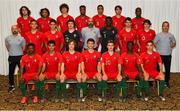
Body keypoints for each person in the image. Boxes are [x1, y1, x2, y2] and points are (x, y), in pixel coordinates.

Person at [154, 21, 176, 88]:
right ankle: (157, 82)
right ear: (162, 27)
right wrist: (158, 49)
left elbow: (174, 43)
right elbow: (154, 43)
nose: (165, 27)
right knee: (158, 69)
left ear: (168, 27)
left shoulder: (171, 35)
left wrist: (171, 46)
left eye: (167, 26)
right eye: (164, 26)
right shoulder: (158, 35)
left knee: (167, 69)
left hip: (168, 55)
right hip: (159, 56)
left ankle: (166, 82)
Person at [5, 25, 26, 93]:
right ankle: (11, 85)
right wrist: (13, 52)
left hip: (20, 57)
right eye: (13, 29)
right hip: (12, 57)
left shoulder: (22, 38)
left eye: (16, 29)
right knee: (11, 72)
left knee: (23, 72)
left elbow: (24, 48)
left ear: (18, 30)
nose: (14, 30)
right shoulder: (7, 38)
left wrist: (19, 53)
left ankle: (24, 84)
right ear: (11, 30)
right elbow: (7, 47)